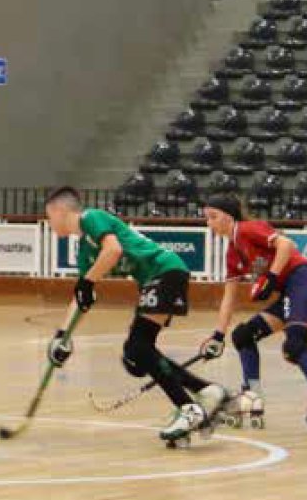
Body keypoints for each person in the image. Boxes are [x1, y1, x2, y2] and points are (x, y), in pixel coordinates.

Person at [45, 186, 230, 446]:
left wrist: (87, 282)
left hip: (165, 271)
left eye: (48, 216)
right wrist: (62, 336)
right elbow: (82, 295)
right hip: (157, 278)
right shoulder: (85, 251)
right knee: (136, 355)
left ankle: (189, 408)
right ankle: (205, 390)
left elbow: (113, 251)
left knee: (138, 347)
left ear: (59, 210)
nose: (49, 223)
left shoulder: (91, 218)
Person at [203, 193, 307, 432]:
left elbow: (286, 245)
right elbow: (229, 296)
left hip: (302, 283)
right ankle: (253, 394)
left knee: (295, 344)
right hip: (288, 292)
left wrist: (272, 276)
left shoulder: (247, 229)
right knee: (243, 336)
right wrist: (218, 335)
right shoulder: (233, 253)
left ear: (227, 217)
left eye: (212, 217)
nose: (209, 223)